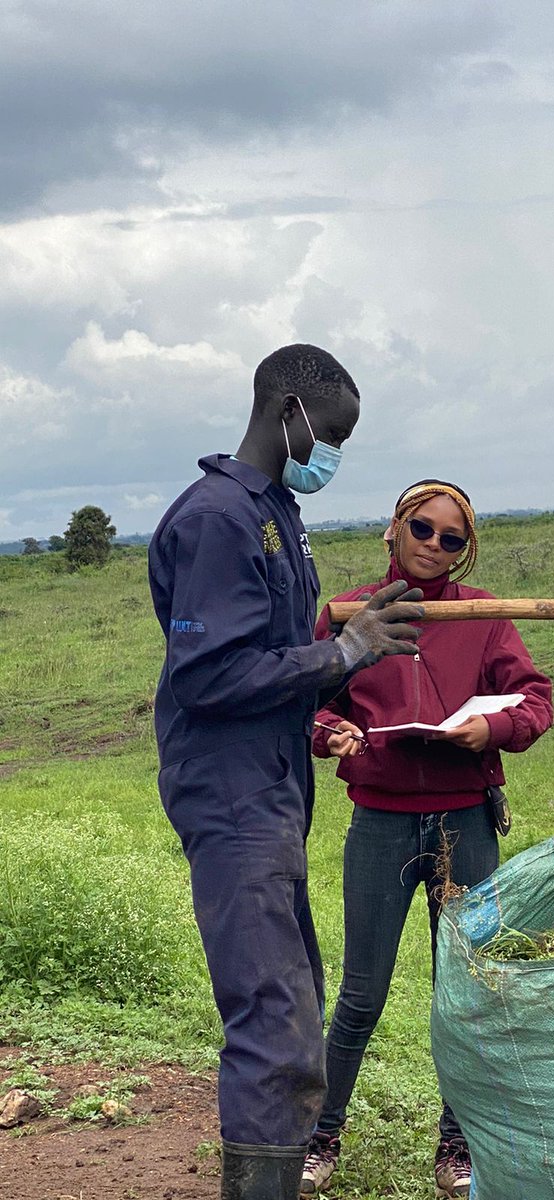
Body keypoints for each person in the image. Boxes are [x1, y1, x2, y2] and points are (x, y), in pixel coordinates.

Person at [148, 344, 425, 1200]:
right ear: (289, 413)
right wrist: (337, 651)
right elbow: (207, 676)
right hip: (231, 796)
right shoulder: (219, 519)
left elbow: (270, 660)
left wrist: (339, 665)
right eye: (331, 434)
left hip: (271, 789)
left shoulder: (274, 516)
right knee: (274, 1023)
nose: (332, 453)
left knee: (293, 1002)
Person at [300, 480, 554, 1198]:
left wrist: (494, 728)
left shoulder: (487, 616)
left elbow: (536, 699)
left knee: (466, 993)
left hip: (463, 822)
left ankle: (457, 1145)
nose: (434, 546)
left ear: (465, 550)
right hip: (379, 822)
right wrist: (332, 734)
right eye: (423, 528)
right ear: (394, 529)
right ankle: (322, 1136)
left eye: (452, 538)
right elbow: (305, 703)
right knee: (362, 992)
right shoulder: (350, 614)